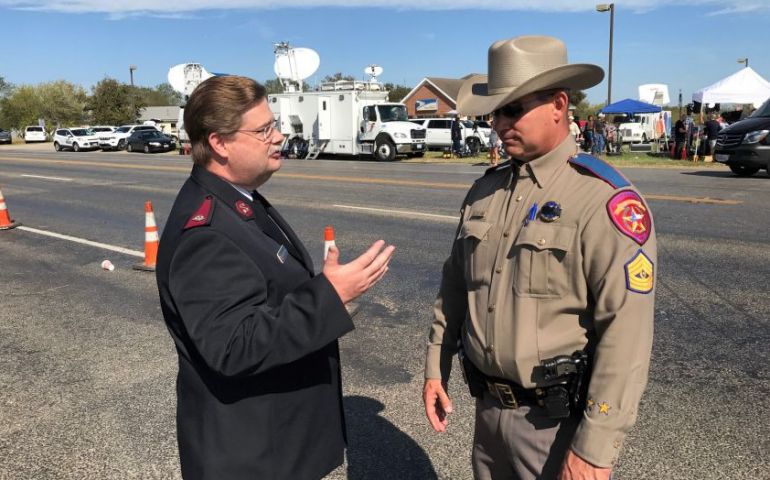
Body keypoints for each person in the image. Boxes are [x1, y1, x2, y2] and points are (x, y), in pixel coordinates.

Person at [423, 35, 656, 480]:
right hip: (488, 416)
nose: (498, 123)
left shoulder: (600, 199)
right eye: (494, 112)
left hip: (555, 426)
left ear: (559, 105)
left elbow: (626, 333)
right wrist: (437, 366)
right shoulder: (485, 191)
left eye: (513, 109)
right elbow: (455, 287)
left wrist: (595, 448)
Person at [156, 75, 395, 479]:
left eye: (275, 124)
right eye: (264, 129)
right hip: (252, 457)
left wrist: (324, 290)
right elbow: (233, 345)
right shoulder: (207, 233)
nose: (279, 136)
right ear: (219, 143)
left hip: (272, 445)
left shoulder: (238, 200)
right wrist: (329, 296)